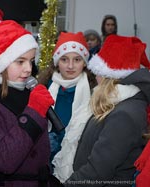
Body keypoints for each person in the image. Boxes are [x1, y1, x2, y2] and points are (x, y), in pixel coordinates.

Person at [0, 20, 54, 186]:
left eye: (31, 60)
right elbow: (4, 160)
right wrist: (34, 111)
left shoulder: (28, 92)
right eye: (20, 61)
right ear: (1, 62)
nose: (28, 68)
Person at [63, 35, 150, 186]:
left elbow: (98, 171)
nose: (95, 76)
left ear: (107, 75)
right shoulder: (116, 103)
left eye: (97, 71)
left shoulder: (124, 115)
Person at [37, 32, 96, 181]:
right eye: (64, 59)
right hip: (45, 159)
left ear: (84, 63)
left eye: (77, 59)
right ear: (57, 62)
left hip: (78, 162)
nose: (70, 66)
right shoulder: (43, 88)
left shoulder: (94, 92)